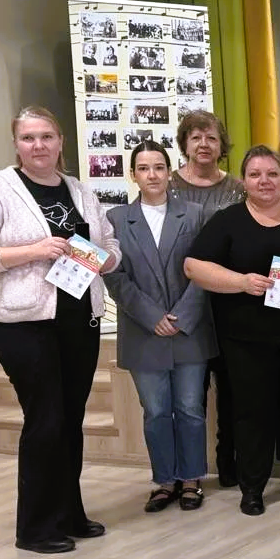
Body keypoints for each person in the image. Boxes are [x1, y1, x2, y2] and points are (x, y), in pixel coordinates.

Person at [0, 106, 121, 554]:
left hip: (79, 321)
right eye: (28, 138)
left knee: (70, 420)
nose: (38, 145)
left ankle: (69, 512)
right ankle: (34, 527)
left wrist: (105, 259)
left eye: (46, 136)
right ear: (16, 144)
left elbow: (109, 244)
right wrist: (33, 250)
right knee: (45, 420)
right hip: (24, 326)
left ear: (60, 141)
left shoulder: (79, 190)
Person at [184, 146, 280, 515]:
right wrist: (241, 281)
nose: (264, 181)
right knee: (253, 412)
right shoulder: (227, 221)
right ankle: (252, 486)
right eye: (255, 174)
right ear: (244, 181)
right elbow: (193, 267)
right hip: (247, 339)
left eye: (272, 174)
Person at [103, 141, 216, 512]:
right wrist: (152, 316)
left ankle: (192, 479)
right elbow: (115, 276)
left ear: (170, 171)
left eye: (158, 167)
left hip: (189, 328)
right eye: (143, 168)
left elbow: (206, 269)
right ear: (132, 175)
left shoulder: (195, 214)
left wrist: (181, 316)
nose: (152, 175)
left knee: (190, 407)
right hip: (143, 331)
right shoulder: (116, 219)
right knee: (155, 411)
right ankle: (165, 481)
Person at [170, 110, 244, 489]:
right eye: (196, 137)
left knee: (232, 392)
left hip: (229, 303)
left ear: (222, 145)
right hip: (181, 305)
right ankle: (190, 473)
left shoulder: (239, 188)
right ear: (184, 143)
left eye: (211, 137)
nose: (204, 144)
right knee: (190, 396)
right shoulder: (165, 185)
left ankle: (229, 462)